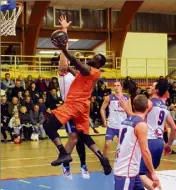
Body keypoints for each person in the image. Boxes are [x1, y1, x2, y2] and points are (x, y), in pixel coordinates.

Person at [44, 15, 111, 176]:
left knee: (49, 126)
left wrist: (64, 48)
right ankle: (102, 159)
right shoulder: (88, 73)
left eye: (94, 58)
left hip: (73, 105)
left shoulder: (90, 70)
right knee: (83, 136)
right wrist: (70, 67)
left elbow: (74, 61)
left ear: (98, 64)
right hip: (83, 106)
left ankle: (63, 153)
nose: (91, 58)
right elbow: (76, 70)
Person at [120, 79, 176, 190]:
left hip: (148, 141)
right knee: (150, 173)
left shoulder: (149, 103)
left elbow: (137, 118)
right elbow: (174, 127)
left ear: (157, 90)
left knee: (139, 174)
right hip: (159, 142)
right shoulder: (164, 106)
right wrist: (169, 145)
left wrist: (126, 108)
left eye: (152, 86)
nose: (150, 87)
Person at [114, 94, 160, 190]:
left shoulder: (125, 121)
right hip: (126, 173)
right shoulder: (141, 125)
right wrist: (152, 173)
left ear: (134, 106)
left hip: (132, 172)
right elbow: (145, 152)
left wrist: (127, 109)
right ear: (147, 107)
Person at [100, 81, 131, 157]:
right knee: (107, 144)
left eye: (118, 85)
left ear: (121, 87)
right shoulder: (109, 97)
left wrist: (130, 123)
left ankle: (122, 161)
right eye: (115, 85)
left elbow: (130, 111)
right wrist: (104, 121)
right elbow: (102, 109)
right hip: (112, 125)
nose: (116, 87)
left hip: (122, 126)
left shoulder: (127, 98)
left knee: (123, 145)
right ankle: (104, 162)